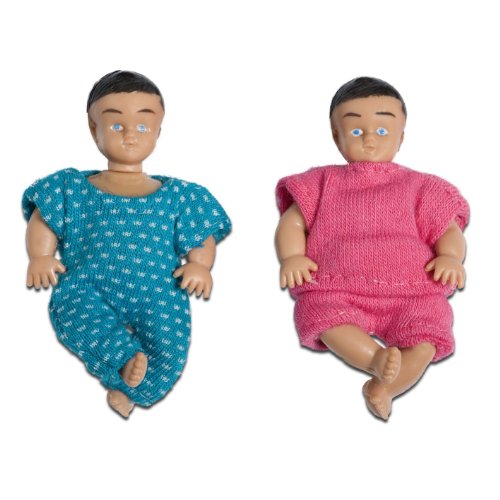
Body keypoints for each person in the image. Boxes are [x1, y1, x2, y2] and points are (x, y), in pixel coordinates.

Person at [23, 70, 231, 418]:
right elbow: (44, 219)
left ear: (159, 131)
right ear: (94, 128)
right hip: (89, 283)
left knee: (171, 347)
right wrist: (40, 256)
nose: (130, 135)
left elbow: (200, 235)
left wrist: (200, 264)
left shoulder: (180, 195)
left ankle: (129, 390)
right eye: (117, 125)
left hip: (159, 290)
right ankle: (121, 359)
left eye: (143, 126)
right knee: (71, 308)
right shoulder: (71, 188)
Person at [275, 76, 469, 420]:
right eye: (355, 130)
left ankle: (386, 388)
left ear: (401, 135)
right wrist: (292, 257)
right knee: (321, 316)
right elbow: (292, 223)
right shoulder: (321, 182)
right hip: (335, 286)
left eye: (382, 130)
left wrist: (451, 257)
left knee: (428, 337)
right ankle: (373, 359)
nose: (368, 139)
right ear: (336, 136)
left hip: (412, 289)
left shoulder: (420, 187)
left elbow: (447, 228)